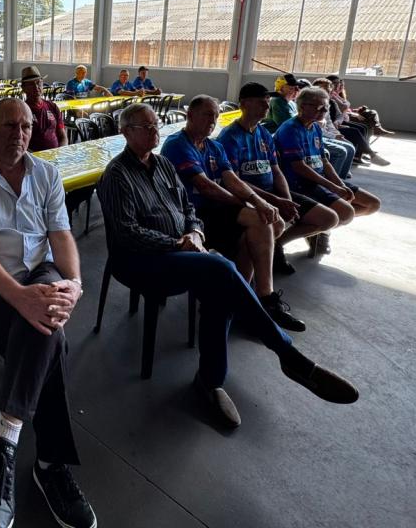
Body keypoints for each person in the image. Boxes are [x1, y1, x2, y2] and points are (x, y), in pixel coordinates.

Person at [97, 102, 358, 428]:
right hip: (140, 260)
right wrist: (178, 244)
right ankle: (285, 354)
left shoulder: (162, 164)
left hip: (182, 250)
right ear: (125, 132)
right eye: (144, 127)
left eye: (155, 125)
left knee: (219, 282)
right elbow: (127, 234)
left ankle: (211, 380)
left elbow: (189, 209)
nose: (153, 132)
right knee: (221, 269)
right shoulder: (117, 175)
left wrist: (194, 232)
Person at [0, 98, 96, 528]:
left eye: (27, 126)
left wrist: (75, 282)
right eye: (9, 125)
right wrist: (19, 296)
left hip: (39, 271)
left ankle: (3, 442)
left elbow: (61, 234)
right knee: (50, 332)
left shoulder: (46, 174)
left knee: (44, 313)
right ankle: (49, 464)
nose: (20, 134)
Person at [161, 95, 304, 331]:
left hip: (217, 212)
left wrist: (257, 201)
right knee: (260, 223)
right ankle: (258, 300)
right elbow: (206, 186)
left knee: (263, 226)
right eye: (208, 114)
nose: (212, 120)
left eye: (216, 116)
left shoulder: (214, 146)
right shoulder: (178, 144)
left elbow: (232, 180)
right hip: (191, 217)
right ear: (190, 115)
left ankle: (241, 301)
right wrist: (246, 205)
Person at [220, 83, 340, 271]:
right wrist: (275, 200)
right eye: (261, 102)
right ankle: (255, 259)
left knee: (329, 219)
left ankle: (275, 246)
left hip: (273, 193)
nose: (267, 106)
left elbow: (276, 171)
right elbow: (235, 182)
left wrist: (287, 199)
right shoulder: (230, 137)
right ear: (244, 104)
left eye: (268, 102)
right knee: (276, 223)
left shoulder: (264, 134)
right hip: (247, 197)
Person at [274, 87, 381, 255]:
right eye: (319, 107)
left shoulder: (315, 127)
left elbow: (324, 160)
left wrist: (339, 184)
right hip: (300, 183)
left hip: (320, 178)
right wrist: (332, 187)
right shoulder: (291, 130)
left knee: (372, 204)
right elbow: (299, 167)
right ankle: (279, 243)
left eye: (326, 107)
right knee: (345, 213)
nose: (324, 111)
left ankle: (317, 229)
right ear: (302, 106)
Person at [311, 78, 358, 177]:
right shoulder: (311, 105)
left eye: (328, 89)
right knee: (341, 151)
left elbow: (329, 123)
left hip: (326, 134)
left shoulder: (326, 103)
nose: (327, 91)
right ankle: (332, 179)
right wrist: (333, 136)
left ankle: (341, 175)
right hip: (316, 136)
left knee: (350, 146)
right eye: (324, 89)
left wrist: (336, 133)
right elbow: (315, 129)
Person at [327, 76, 393, 137]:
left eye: (341, 85)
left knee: (372, 112)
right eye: (336, 83)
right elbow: (342, 108)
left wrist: (354, 110)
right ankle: (376, 130)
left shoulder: (338, 94)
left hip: (346, 115)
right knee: (367, 122)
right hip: (344, 117)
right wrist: (352, 113)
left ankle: (377, 128)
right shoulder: (331, 95)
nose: (340, 86)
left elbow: (345, 107)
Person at [19, 65, 66, 151]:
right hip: (33, 156)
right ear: (24, 88)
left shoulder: (52, 106)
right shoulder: (21, 110)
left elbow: (62, 136)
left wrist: (61, 151)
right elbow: (20, 142)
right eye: (31, 84)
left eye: (38, 83)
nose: (36, 87)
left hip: (56, 154)